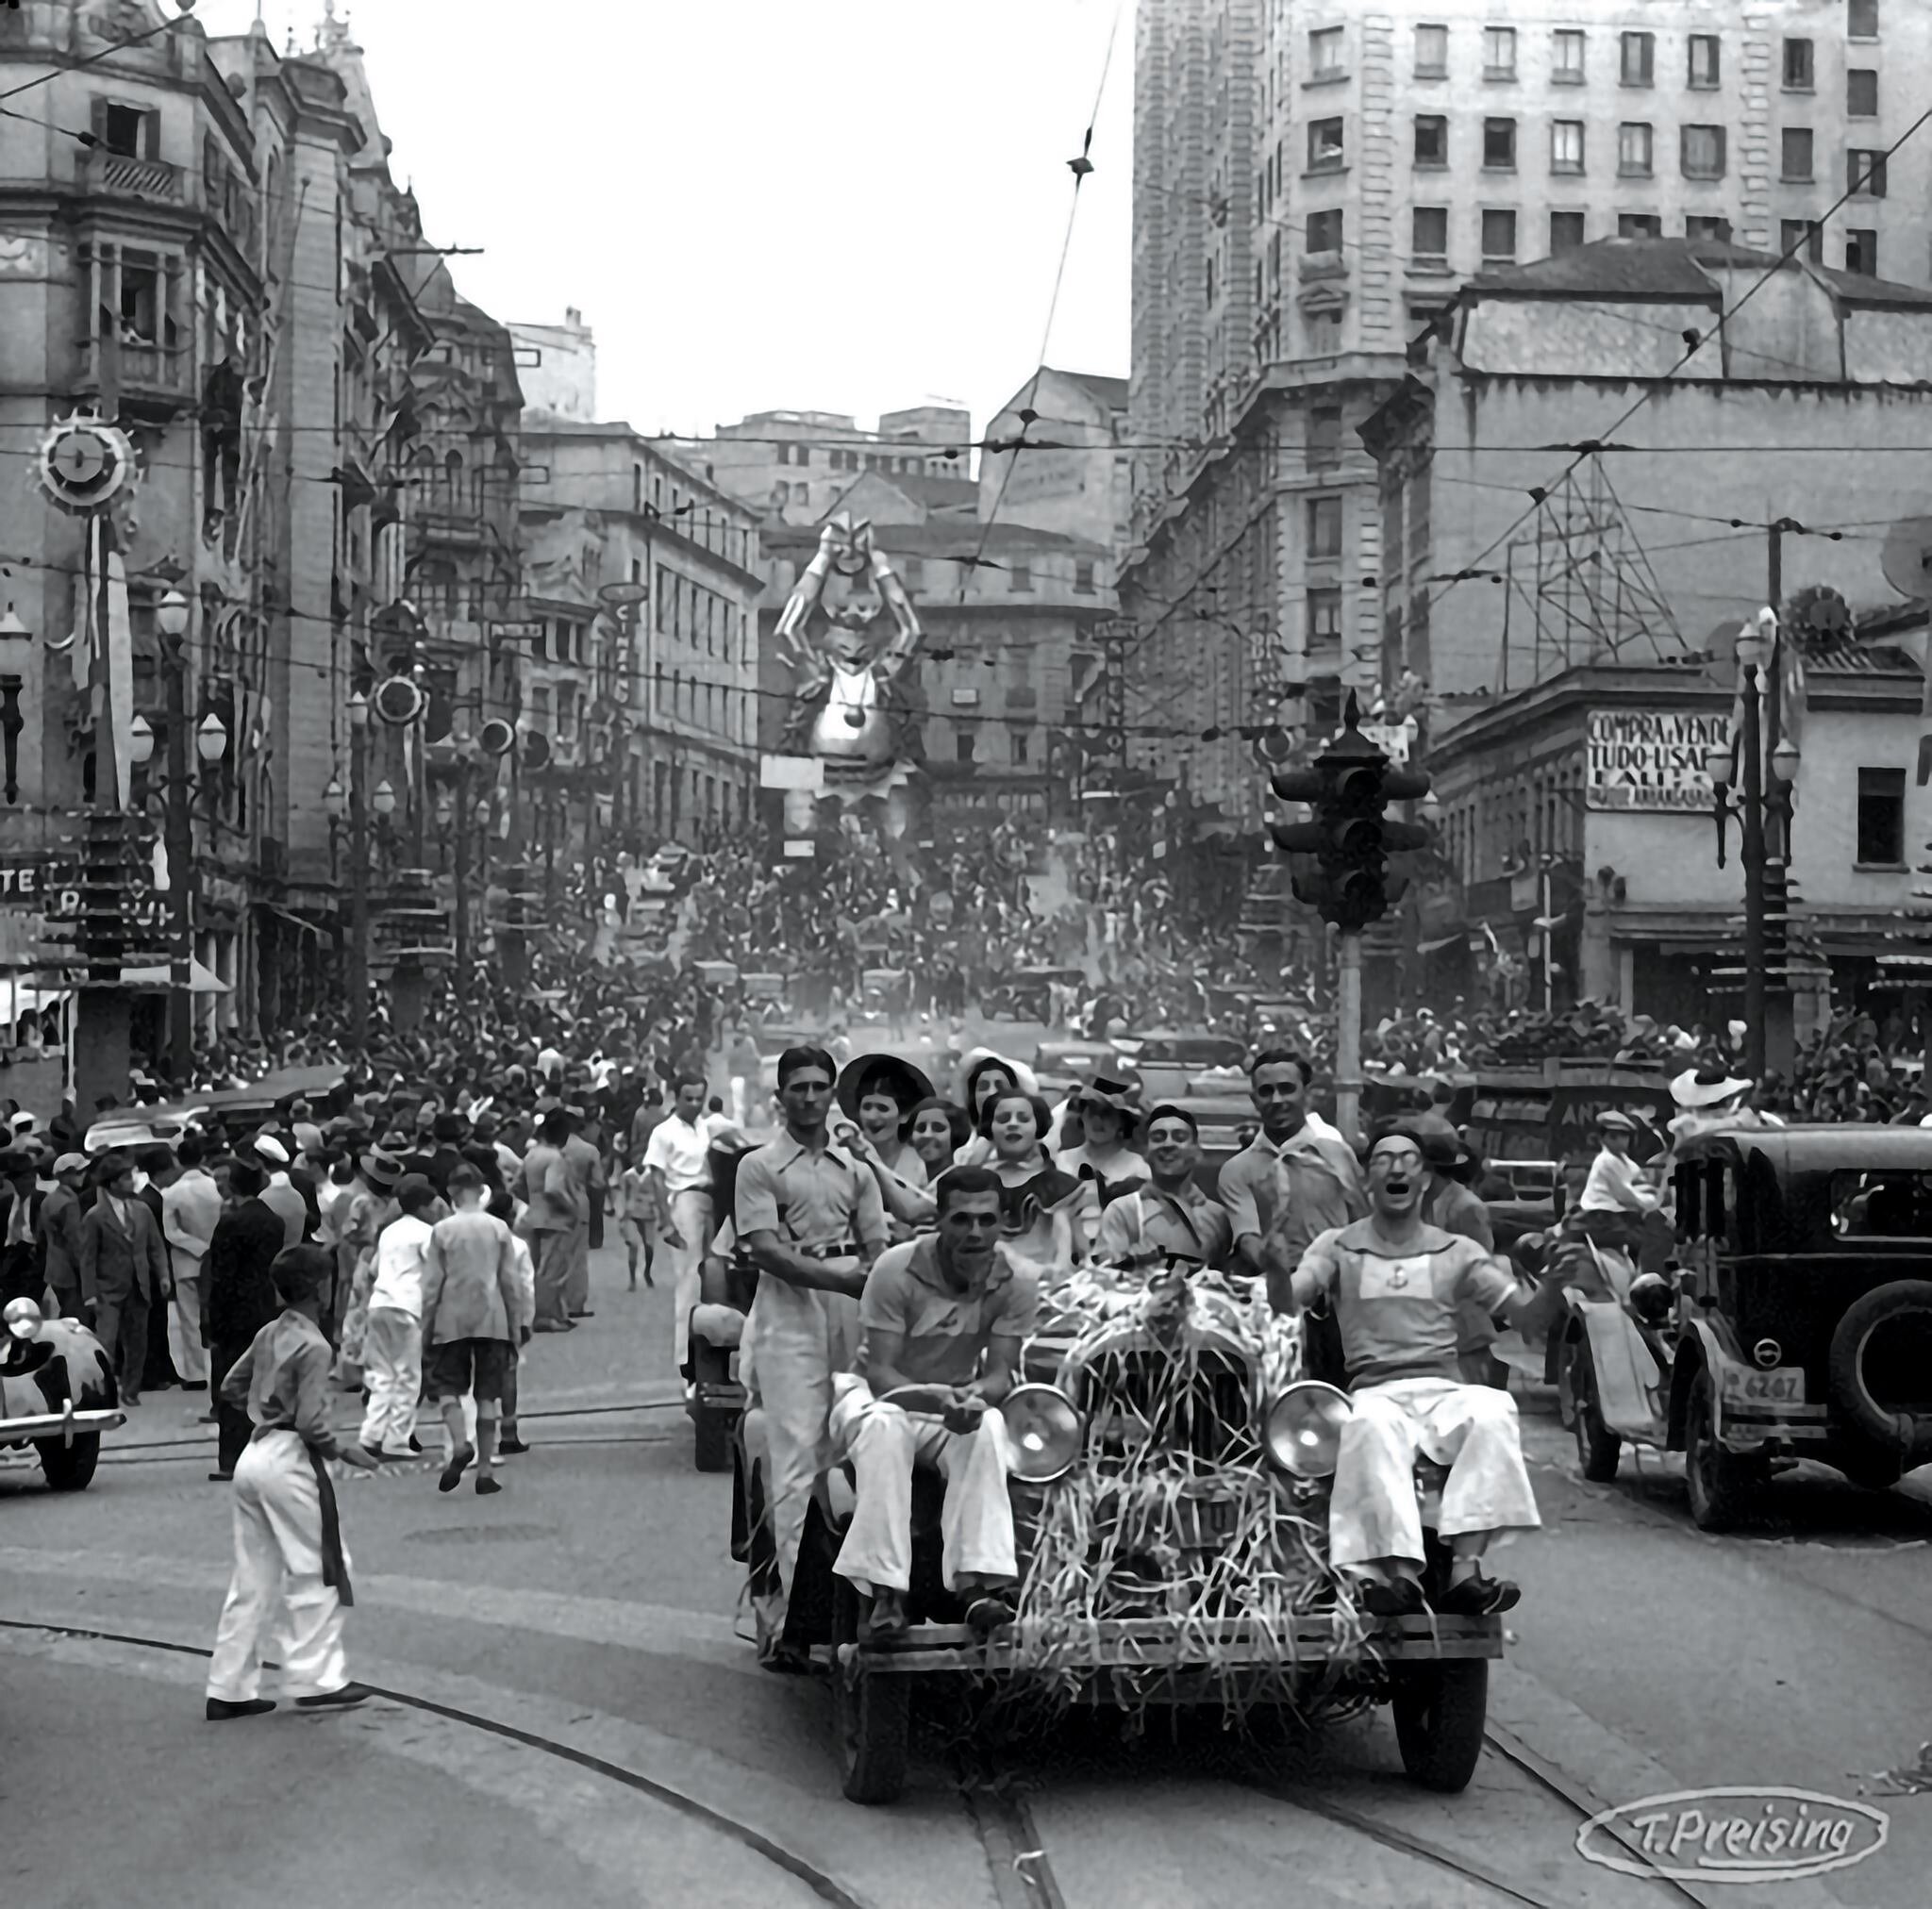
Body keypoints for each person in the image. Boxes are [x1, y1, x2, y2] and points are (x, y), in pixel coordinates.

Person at [1282, 1127, 1542, 1618]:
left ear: (1423, 1178)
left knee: (1492, 1409)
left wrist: (1558, 1286)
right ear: (1368, 1178)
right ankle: (1398, 1577)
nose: (1397, 1167)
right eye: (1384, 1159)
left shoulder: (1457, 1250)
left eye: (1408, 1158)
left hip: (1444, 1386)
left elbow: (1526, 1319)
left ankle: (1467, 1570)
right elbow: (1294, 1293)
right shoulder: (1338, 1246)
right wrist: (1280, 1273)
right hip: (1375, 1390)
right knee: (1369, 1425)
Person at [828, 1166, 1038, 1639]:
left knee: (988, 1430)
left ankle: (980, 1586)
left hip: (952, 1400)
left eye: (987, 1221)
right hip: (881, 1399)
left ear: (1003, 1222)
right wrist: (942, 1399)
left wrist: (974, 1400)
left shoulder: (1017, 1279)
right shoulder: (894, 1269)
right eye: (962, 1220)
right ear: (939, 1221)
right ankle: (886, 1592)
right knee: (885, 1429)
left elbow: (1000, 1374)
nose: (975, 1233)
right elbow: (881, 1374)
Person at [733, 1045, 890, 1650]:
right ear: (781, 1096)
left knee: (857, 1444)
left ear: (832, 1094)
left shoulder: (856, 1170)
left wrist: (863, 1281)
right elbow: (765, 1250)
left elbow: (878, 1244)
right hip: (789, 1308)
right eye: (798, 1087)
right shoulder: (760, 1166)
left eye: (820, 1086)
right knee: (797, 1456)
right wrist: (842, 1277)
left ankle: (860, 1599)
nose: (809, 1096)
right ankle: (808, 1619)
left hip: (852, 1304)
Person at [204, 1244, 381, 1721]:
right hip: (288, 1458)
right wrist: (345, 1449)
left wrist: (265, 1409)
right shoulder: (315, 1345)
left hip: (254, 1453)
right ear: (322, 1288)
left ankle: (229, 1687)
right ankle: (316, 1677)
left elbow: (231, 1387)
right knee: (321, 1565)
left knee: (253, 1576)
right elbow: (311, 1422)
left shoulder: (269, 1332)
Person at [1220, 1050, 1367, 1307]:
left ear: (1306, 1094)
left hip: (1341, 1297)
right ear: (1254, 1099)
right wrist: (1272, 1263)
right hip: (1273, 1300)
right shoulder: (1237, 1171)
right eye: (1266, 1091)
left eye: (1287, 1089)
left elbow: (1363, 1222)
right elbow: (1247, 1237)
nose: (1277, 1100)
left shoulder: (1336, 1154)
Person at [420, 1164, 529, 1496]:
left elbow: (432, 1285)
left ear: (451, 1193)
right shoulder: (498, 1228)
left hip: (451, 1318)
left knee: (448, 1389)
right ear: (481, 1190)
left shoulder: (441, 1231)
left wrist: (426, 1327)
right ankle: (484, 1470)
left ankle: (458, 1442)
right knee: (487, 1395)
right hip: (492, 1317)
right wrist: (517, 1324)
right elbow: (511, 1282)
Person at [204, 1157, 289, 1480]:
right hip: (264, 1309)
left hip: (234, 1314)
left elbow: (221, 1277)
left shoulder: (230, 1224)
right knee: (263, 1382)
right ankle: (267, 1451)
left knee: (231, 1386)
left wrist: (213, 1320)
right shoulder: (273, 1222)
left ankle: (232, 1457)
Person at [644, 1075, 724, 1381]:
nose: (693, 1104)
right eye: (688, 1098)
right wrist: (665, 1222)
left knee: (715, 1277)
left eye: (698, 1099)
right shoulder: (663, 1133)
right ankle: (685, 1357)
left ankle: (709, 1350)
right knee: (689, 1279)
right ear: (675, 1098)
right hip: (684, 1199)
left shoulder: (706, 1127)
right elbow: (655, 1177)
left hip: (711, 1199)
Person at [1093, 1104, 1233, 1271]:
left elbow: (1221, 1281)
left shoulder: (1217, 1215)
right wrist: (1132, 1259)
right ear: (1146, 1152)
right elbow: (1101, 1278)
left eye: (1180, 1137)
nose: (1168, 1145)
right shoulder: (1122, 1211)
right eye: (1158, 1138)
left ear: (1197, 1151)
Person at [79, 1152, 169, 1407]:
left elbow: (156, 1246)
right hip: (108, 1288)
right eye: (127, 1178)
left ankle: (131, 1388)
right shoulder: (95, 1216)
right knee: (105, 1342)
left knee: (138, 1343)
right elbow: (87, 1258)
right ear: (113, 1183)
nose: (132, 1182)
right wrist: (90, 1294)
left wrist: (163, 1274)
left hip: (139, 1286)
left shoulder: (142, 1210)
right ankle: (103, 1389)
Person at [358, 1174, 438, 1461]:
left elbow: (374, 1270)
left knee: (382, 1374)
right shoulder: (427, 1233)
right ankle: (396, 1438)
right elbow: (436, 1272)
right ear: (422, 1206)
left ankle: (372, 1433)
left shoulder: (389, 1232)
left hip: (380, 1303)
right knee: (407, 1375)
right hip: (408, 1305)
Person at [982, 1089, 1086, 1279]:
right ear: (990, 1127)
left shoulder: (1058, 1186)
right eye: (1003, 1119)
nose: (1013, 1124)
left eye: (1023, 1119)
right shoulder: (976, 1182)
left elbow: (1069, 1252)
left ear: (1038, 1126)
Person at [161, 1133, 222, 1388]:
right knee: (219, 1316)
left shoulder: (171, 1193)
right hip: (217, 1258)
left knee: (189, 1319)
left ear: (178, 1159)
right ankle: (222, 1370)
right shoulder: (217, 1187)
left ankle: (196, 1374)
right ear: (203, 1157)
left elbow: (171, 1232)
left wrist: (197, 1247)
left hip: (186, 1261)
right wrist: (210, 1246)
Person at [518, 1108, 580, 1334]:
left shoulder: (532, 1154)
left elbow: (518, 1186)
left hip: (533, 1215)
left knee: (536, 1268)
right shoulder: (555, 1158)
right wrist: (571, 1208)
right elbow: (554, 1189)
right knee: (553, 1270)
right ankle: (545, 1316)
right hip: (554, 1218)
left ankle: (554, 1313)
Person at [1577, 1109, 1661, 1255]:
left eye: (1624, 1136)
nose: (1620, 1140)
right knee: (1644, 1240)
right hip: (1602, 1218)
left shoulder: (1629, 1164)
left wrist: (1651, 1199)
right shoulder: (1605, 1161)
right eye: (1614, 1136)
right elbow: (1624, 1194)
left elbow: (1642, 1186)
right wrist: (1650, 1203)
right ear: (1603, 1138)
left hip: (1624, 1216)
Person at [38, 1152, 90, 1320]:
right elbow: (74, 1241)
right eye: (79, 1172)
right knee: (78, 1320)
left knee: (67, 1314)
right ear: (65, 1175)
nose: (84, 1174)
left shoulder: (49, 1200)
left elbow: (41, 1236)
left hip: (53, 1269)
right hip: (69, 1272)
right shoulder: (70, 1202)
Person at [0, 1146, 43, 1308]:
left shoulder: (42, 1202)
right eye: (24, 1178)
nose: (30, 1182)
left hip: (33, 1261)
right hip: (10, 1259)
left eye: (31, 1177)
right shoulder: (5, 1204)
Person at [615, 1155, 657, 1289]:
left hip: (649, 1214)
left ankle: (647, 1272)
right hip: (631, 1214)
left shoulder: (653, 1175)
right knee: (633, 1245)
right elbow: (621, 1195)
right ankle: (632, 1280)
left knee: (649, 1246)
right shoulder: (627, 1176)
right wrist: (621, 1216)